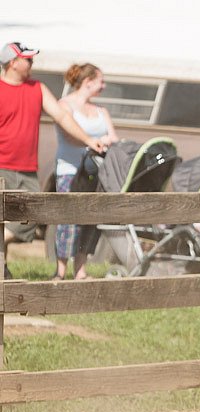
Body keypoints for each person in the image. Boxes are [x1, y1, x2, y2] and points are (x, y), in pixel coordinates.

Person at [0, 43, 105, 255]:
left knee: (32, 216)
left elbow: (62, 116)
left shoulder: (37, 88)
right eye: (27, 59)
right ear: (13, 63)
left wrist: (88, 139)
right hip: (1, 166)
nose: (32, 63)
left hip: (27, 169)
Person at [53, 63, 118, 280]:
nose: (104, 85)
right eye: (101, 81)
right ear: (88, 82)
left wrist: (104, 142)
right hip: (70, 171)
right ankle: (59, 271)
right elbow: (69, 135)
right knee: (67, 220)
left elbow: (114, 138)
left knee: (89, 221)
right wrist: (94, 141)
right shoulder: (63, 106)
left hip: (96, 172)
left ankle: (80, 269)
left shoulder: (101, 111)